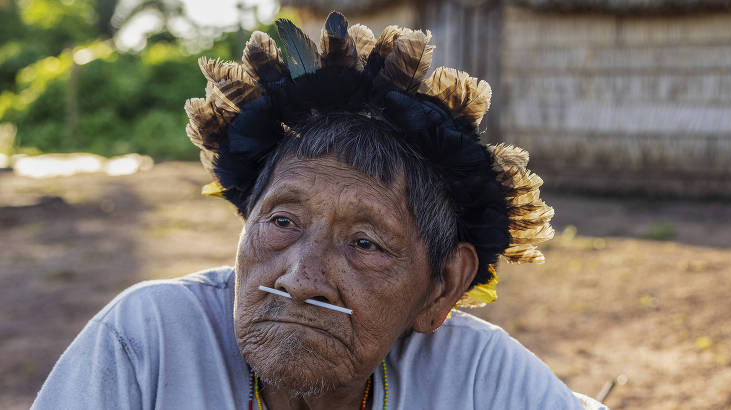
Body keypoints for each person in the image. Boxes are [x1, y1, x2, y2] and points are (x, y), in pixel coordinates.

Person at [32, 11, 606, 410]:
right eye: (281, 222)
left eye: (365, 243)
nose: (302, 280)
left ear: (441, 289)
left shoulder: (482, 380)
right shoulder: (147, 343)